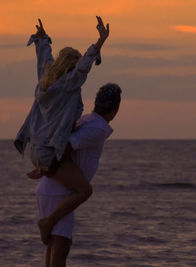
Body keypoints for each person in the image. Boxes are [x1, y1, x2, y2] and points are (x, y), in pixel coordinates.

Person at [14, 17, 110, 244]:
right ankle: (47, 221)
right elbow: (83, 68)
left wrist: (42, 39)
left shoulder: (45, 81)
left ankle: (46, 169)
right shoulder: (69, 85)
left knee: (62, 154)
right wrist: (99, 42)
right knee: (84, 191)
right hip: (48, 150)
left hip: (35, 150)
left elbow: (44, 57)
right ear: (71, 67)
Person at [37, 83, 122, 267]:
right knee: (60, 247)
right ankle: (48, 222)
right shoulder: (97, 127)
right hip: (59, 192)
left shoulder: (88, 120)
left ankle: (47, 223)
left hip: (52, 189)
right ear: (115, 110)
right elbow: (67, 144)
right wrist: (51, 167)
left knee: (55, 246)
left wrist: (47, 168)